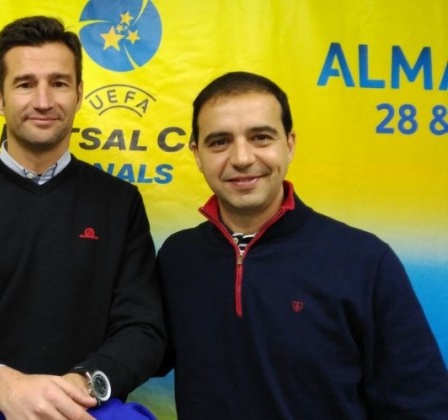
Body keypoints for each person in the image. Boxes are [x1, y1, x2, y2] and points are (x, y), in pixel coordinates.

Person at [0, 16, 165, 420]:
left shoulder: (119, 202)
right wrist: (5, 388)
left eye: (59, 83)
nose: (43, 101)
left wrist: (80, 386)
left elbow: (143, 330)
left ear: (79, 94)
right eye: (25, 84)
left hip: (84, 406)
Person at [155, 71, 448, 418]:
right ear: (197, 154)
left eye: (261, 137)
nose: (242, 158)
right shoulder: (177, 257)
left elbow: (422, 406)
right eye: (220, 142)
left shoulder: (364, 261)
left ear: (289, 144)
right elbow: (141, 349)